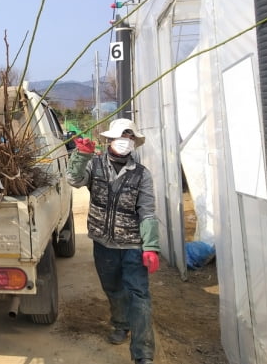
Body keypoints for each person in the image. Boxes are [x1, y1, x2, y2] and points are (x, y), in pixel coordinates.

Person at [67, 118, 160, 364]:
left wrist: (150, 247)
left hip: (132, 245)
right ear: (108, 140)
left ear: (134, 142)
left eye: (129, 137)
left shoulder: (142, 175)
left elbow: (148, 211)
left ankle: (143, 355)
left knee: (139, 296)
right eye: (121, 136)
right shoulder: (95, 165)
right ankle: (120, 324)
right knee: (113, 289)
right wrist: (81, 156)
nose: (124, 141)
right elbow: (73, 180)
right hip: (103, 244)